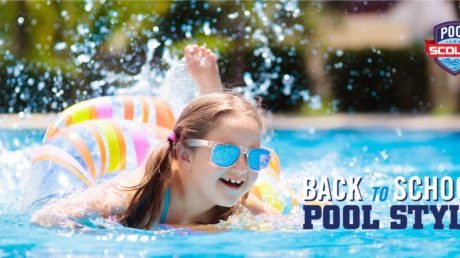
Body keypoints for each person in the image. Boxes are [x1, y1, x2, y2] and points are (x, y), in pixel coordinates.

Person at [30, 45, 279, 230]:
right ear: (184, 155)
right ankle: (209, 91)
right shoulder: (134, 198)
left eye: (256, 156)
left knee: (224, 132)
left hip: (197, 158)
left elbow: (290, 227)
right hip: (141, 160)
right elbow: (45, 217)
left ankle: (210, 91)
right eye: (226, 153)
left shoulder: (241, 202)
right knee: (213, 127)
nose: (241, 168)